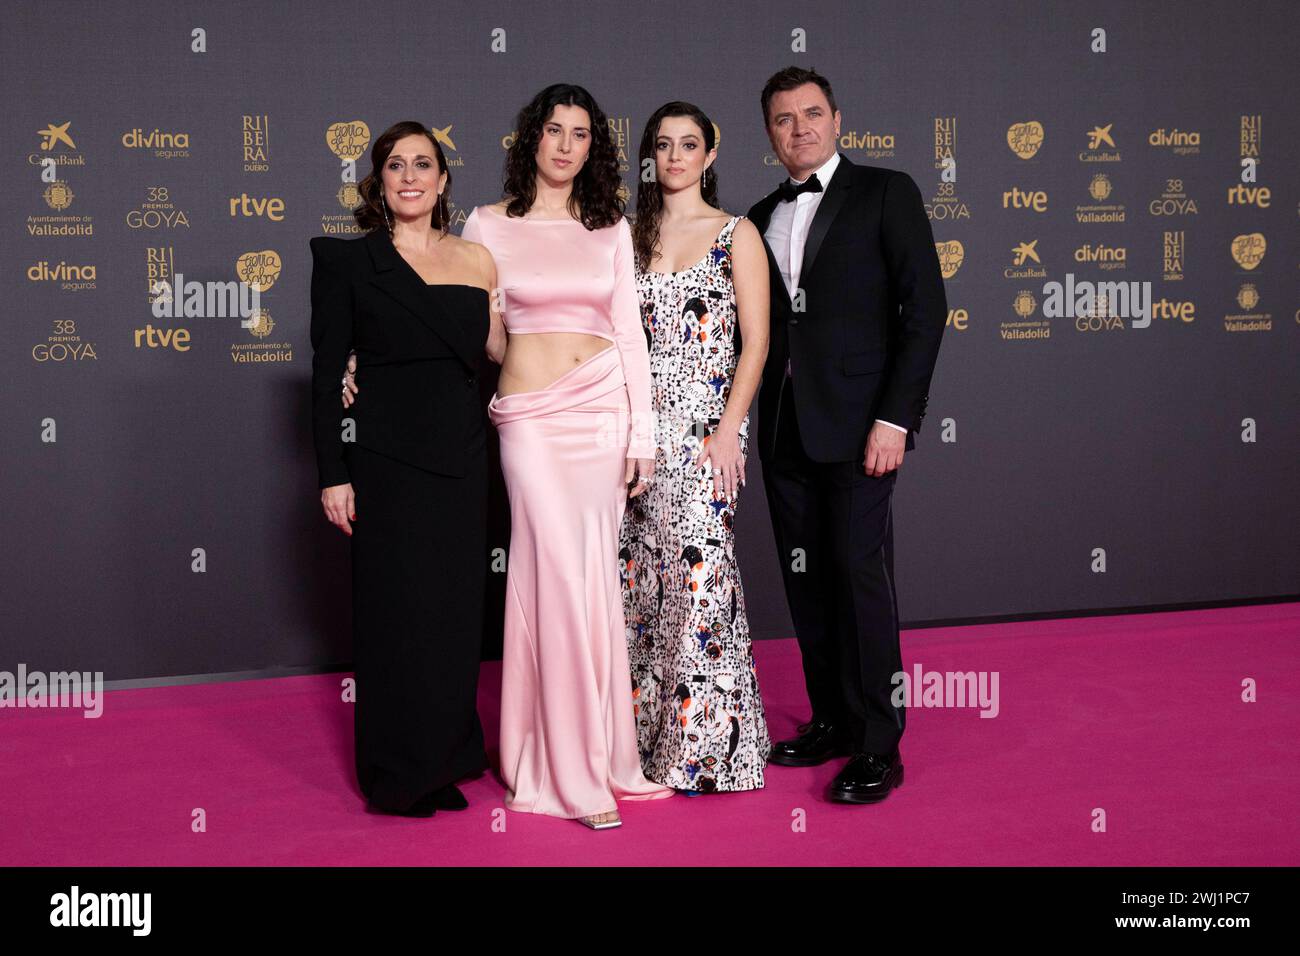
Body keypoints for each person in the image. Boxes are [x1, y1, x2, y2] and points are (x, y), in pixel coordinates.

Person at [344, 86, 676, 829]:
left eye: (581, 134)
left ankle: (594, 756)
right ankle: (560, 774)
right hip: (528, 420)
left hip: (600, 413)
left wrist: (642, 433)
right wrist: (366, 362)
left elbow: (630, 336)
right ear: (531, 139)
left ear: (595, 147)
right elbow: (460, 325)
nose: (565, 145)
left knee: (589, 581)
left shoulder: (611, 228)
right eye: (553, 130)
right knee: (548, 575)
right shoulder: (487, 226)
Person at [746, 67, 947, 803]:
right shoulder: (760, 213)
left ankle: (878, 742)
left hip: (864, 428)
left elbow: (925, 311)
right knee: (806, 580)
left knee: (860, 579)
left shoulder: (887, 192)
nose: (799, 128)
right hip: (783, 429)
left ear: (838, 119)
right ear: (768, 133)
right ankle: (830, 718)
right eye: (783, 119)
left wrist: (895, 419)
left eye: (811, 114)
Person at [310, 121, 504, 817]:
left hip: (462, 457)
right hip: (388, 462)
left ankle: (446, 759)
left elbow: (500, 352)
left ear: (445, 179)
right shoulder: (348, 263)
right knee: (397, 617)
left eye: (424, 164)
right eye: (396, 165)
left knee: (453, 617)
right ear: (379, 181)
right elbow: (327, 370)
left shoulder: (477, 261)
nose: (411, 176)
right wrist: (334, 472)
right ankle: (396, 776)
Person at [620, 102, 772, 792]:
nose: (675, 156)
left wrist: (729, 431)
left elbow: (757, 344)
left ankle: (706, 753)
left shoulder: (736, 234)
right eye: (663, 144)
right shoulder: (625, 235)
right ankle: (636, 750)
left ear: (710, 154)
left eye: (689, 144)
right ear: (650, 155)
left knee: (700, 583)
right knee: (638, 586)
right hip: (630, 437)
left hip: (703, 437)